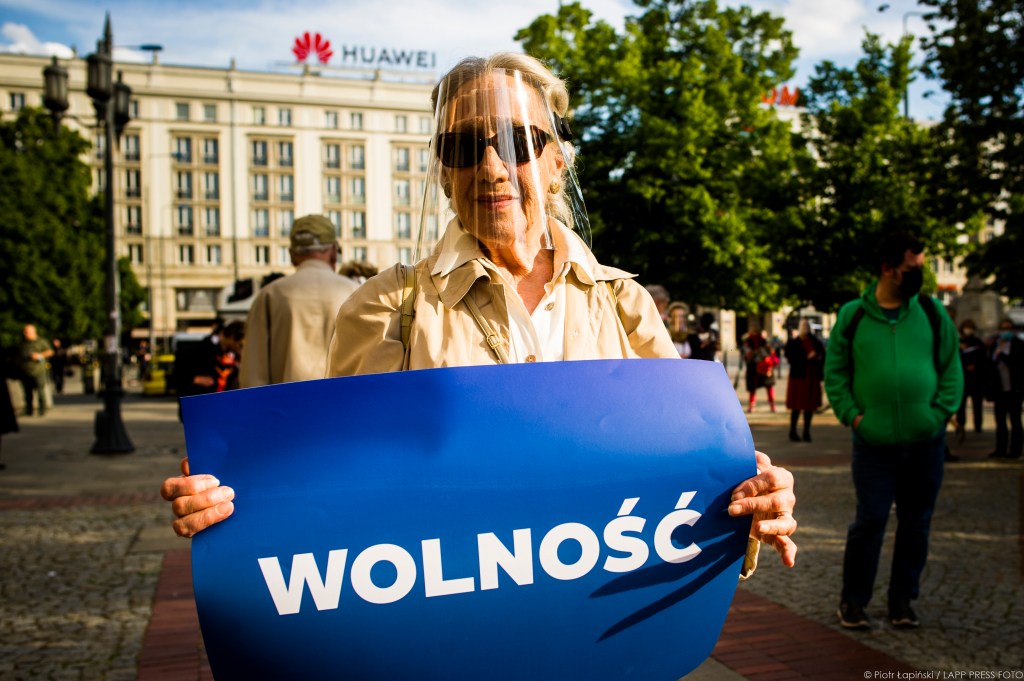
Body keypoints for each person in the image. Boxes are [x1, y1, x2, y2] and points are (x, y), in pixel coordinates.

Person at [162, 53, 796, 577]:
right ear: (443, 171)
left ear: (556, 160)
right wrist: (237, 501)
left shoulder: (622, 303)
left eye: (518, 142)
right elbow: (336, 485)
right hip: (451, 627)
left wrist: (749, 500)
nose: (492, 166)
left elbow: (682, 474)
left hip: (598, 627)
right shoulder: (387, 308)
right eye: (464, 146)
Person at [824, 231, 962, 630]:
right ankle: (853, 601)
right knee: (870, 521)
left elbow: (951, 367)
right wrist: (854, 416)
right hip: (873, 444)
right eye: (912, 268)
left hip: (926, 442)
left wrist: (938, 414)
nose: (920, 274)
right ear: (887, 269)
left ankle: (902, 601)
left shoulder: (932, 312)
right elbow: (836, 372)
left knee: (916, 524)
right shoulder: (853, 315)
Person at [239, 215, 359, 388]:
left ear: (292, 254)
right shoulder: (355, 292)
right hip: (342, 402)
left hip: (285, 403)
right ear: (333, 250)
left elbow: (253, 376)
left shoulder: (270, 295)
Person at [987, 318, 1023, 460]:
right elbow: (990, 365)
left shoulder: (1019, 345)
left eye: (1008, 328)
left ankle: (1015, 450)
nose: (1005, 331)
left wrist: (1002, 355)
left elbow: (1018, 364)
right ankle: (1000, 449)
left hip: (1015, 389)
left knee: (1015, 420)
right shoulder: (995, 345)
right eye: (1003, 328)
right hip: (999, 389)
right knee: (1000, 420)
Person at [784, 319, 825, 442]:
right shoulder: (794, 343)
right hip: (798, 377)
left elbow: (822, 354)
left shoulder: (815, 341)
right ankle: (793, 431)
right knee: (796, 406)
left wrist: (817, 357)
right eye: (803, 325)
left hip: (811, 377)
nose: (805, 328)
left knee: (809, 406)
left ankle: (806, 432)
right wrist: (806, 357)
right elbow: (791, 358)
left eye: (807, 325)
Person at [954, 319, 987, 440]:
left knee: (977, 405)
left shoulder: (978, 342)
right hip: (962, 379)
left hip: (976, 379)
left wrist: (975, 366)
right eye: (966, 327)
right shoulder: (957, 342)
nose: (968, 329)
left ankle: (978, 426)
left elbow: (983, 359)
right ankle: (960, 426)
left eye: (970, 327)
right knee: (960, 406)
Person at [18, 324, 53, 417]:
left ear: (34, 332)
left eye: (28, 332)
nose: (26, 333)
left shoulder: (40, 342)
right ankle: (28, 410)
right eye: (25, 332)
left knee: (40, 390)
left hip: (38, 371)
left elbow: (50, 351)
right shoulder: (23, 343)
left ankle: (42, 409)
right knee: (27, 392)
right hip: (25, 371)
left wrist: (40, 355)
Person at [742, 323, 777, 413]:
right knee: (768, 386)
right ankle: (772, 405)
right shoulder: (763, 340)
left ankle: (752, 406)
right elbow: (770, 352)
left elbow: (747, 355)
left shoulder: (748, 341)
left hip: (755, 366)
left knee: (754, 388)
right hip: (764, 365)